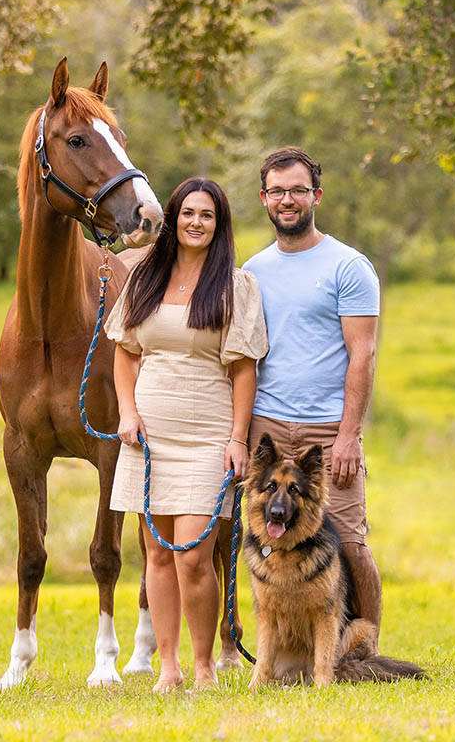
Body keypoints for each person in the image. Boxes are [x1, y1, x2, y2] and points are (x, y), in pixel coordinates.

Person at [105, 177, 268, 692]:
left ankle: (205, 667)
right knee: (155, 554)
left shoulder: (234, 285)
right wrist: (127, 412)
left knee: (194, 554)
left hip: (206, 433)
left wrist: (238, 439)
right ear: (173, 218)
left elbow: (244, 369)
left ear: (218, 226)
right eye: (188, 213)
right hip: (149, 434)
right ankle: (168, 668)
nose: (196, 222)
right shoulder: (146, 276)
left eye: (207, 215)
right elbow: (126, 352)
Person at [241, 146, 383, 647]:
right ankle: (270, 652)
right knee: (260, 540)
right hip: (268, 428)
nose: (287, 199)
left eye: (298, 190)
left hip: (328, 433)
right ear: (263, 198)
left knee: (349, 541)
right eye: (277, 191)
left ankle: (364, 650)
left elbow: (361, 356)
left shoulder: (349, 266)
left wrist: (348, 436)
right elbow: (244, 357)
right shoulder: (252, 271)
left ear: (316, 195)